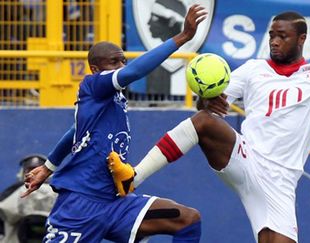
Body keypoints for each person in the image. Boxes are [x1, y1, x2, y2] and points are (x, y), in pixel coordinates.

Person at [107, 11, 310, 243]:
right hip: (246, 158)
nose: (274, 41)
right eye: (272, 35)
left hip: (281, 182)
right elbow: (206, 105)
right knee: (203, 123)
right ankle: (134, 176)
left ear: (301, 38)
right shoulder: (252, 70)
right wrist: (206, 103)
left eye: (282, 36)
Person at [21, 4, 207, 243]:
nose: (121, 67)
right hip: (80, 205)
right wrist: (182, 37)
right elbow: (133, 73)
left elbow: (75, 132)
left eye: (122, 61)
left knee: (188, 220)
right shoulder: (93, 84)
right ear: (95, 69)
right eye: (114, 62)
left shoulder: (112, 98)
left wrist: (48, 167)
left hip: (116, 202)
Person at [0, 154, 56, 243]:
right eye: (30, 170)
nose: (33, 174)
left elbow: (8, 213)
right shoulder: (59, 193)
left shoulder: (13, 192)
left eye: (37, 171)